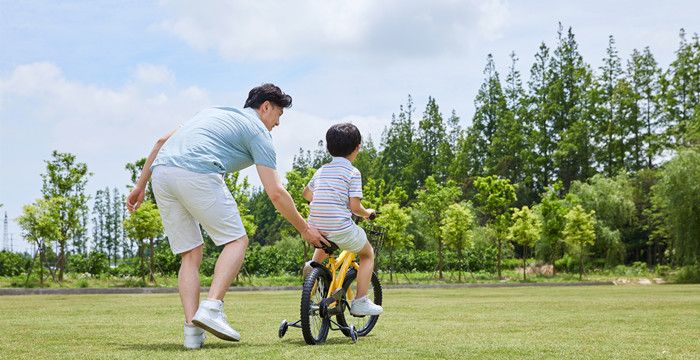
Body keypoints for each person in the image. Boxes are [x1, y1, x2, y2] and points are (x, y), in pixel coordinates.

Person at [126, 83, 327, 349]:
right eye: (278, 115)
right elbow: (276, 193)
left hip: (162, 174)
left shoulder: (211, 113)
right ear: (265, 106)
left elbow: (161, 142)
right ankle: (212, 308)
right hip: (196, 171)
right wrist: (304, 229)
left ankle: (192, 334)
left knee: (191, 253)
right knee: (236, 240)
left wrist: (140, 185)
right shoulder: (257, 131)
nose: (277, 124)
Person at [302, 123, 384, 316]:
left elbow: (306, 194)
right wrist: (367, 213)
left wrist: (327, 199)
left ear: (329, 147)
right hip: (339, 226)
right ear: (357, 147)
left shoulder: (321, 171)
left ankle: (312, 274)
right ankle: (360, 301)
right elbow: (355, 207)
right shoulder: (352, 172)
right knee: (367, 254)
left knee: (322, 248)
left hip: (315, 225)